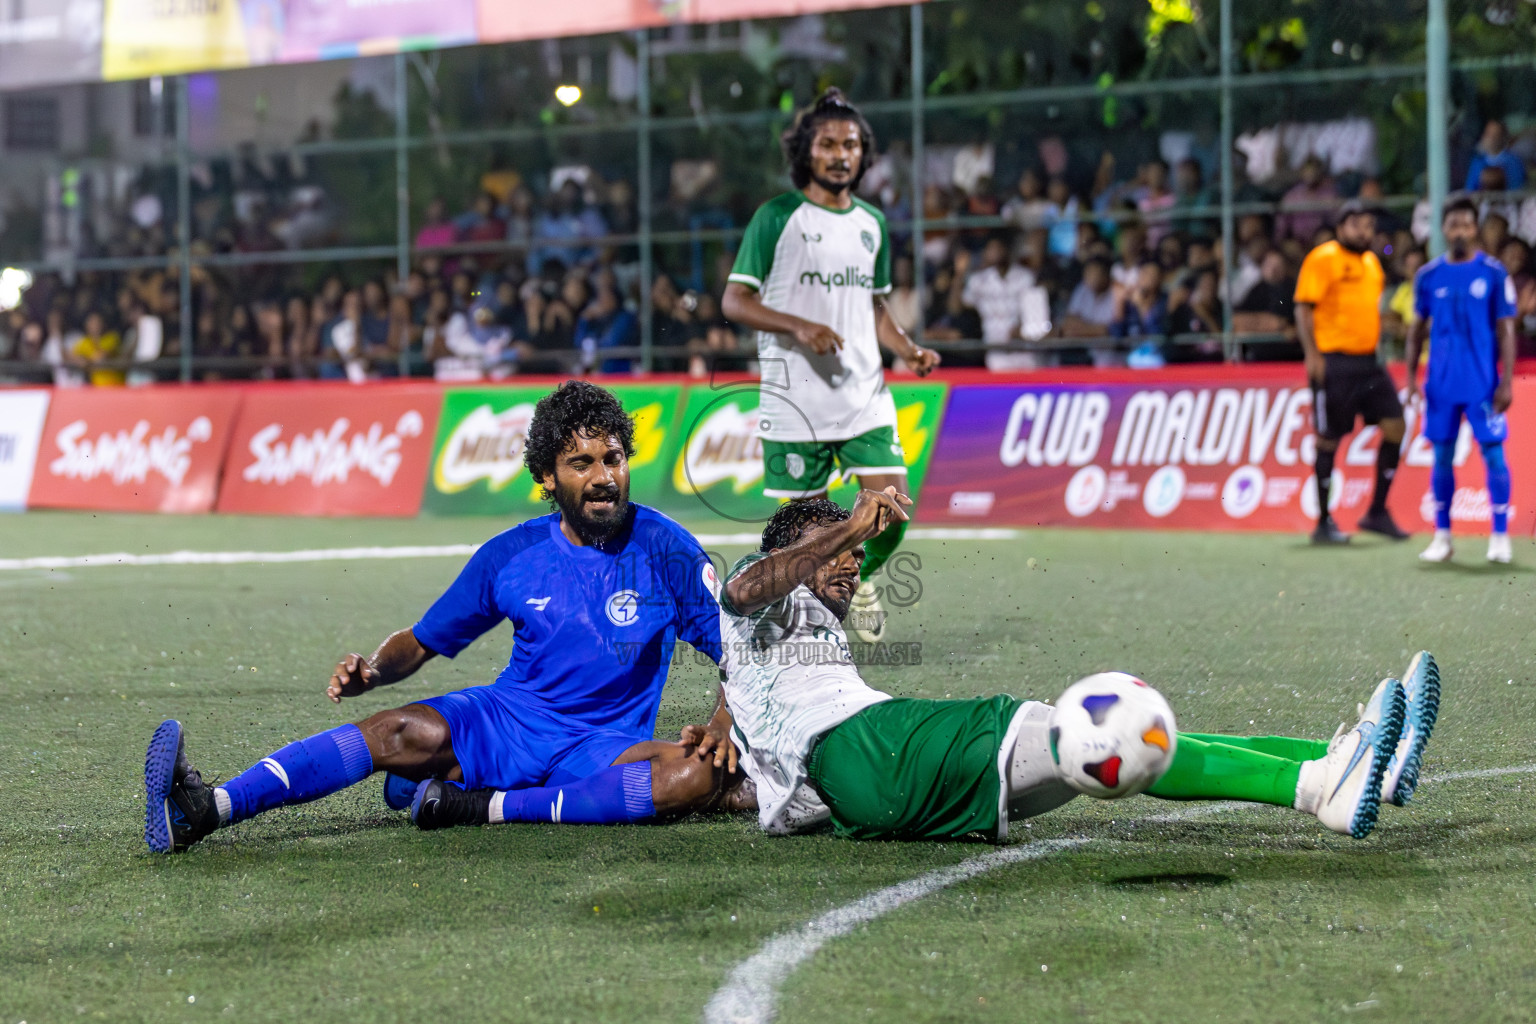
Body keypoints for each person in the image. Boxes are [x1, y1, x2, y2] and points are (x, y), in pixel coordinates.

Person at [144, 382, 742, 854]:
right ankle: (209, 807)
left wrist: (719, 721)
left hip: (605, 744)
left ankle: (476, 805)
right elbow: (425, 640)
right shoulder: (510, 556)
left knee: (693, 777)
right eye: (581, 463)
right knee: (396, 732)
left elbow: (740, 648)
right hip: (509, 720)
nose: (603, 478)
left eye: (613, 458)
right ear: (546, 478)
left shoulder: (667, 551)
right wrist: (375, 670)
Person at [713, 495, 1439, 841]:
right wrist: (846, 527)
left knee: (1113, 741)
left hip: (871, 770)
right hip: (869, 749)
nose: (848, 561)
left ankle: (1338, 760)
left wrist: (875, 524)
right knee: (1107, 720)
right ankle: (1320, 787)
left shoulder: (798, 642)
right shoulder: (758, 592)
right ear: (791, 549)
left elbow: (754, 712)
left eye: (851, 553)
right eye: (830, 549)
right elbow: (747, 587)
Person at [720, 88, 940, 646]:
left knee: (896, 511)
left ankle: (855, 577)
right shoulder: (776, 218)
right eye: (827, 144)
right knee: (805, 534)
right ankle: (804, 629)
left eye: (851, 144)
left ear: (863, 154)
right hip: (796, 402)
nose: (841, 154)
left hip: (862, 394)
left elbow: (874, 305)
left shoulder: (872, 224)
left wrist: (907, 348)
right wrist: (798, 326)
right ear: (806, 152)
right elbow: (735, 301)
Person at [1405, 197, 1519, 565]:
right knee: (1440, 458)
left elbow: (1506, 331)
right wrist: (1410, 376)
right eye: (1452, 224)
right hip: (1440, 385)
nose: (1459, 231)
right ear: (1443, 229)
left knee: (1494, 455)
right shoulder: (1428, 275)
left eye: (1466, 224)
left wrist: (1506, 382)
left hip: (1482, 384)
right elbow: (1415, 329)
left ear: (1475, 229)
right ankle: (1442, 536)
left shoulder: (1493, 272)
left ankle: (1500, 536)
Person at [1294, 200, 1407, 544]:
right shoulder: (1323, 257)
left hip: (1369, 363)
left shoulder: (1373, 262)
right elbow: (1302, 308)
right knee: (1329, 437)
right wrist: (1312, 354)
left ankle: (1377, 511)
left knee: (1395, 426)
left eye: (1369, 226)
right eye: (1357, 224)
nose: (1364, 231)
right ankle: (1323, 522)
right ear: (1342, 226)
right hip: (1335, 361)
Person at [1465, 119, 1527, 194]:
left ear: (1502, 137)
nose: (1491, 139)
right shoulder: (1477, 162)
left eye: (1495, 135)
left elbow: (1517, 189)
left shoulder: (1514, 162)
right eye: (1488, 134)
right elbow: (1469, 191)